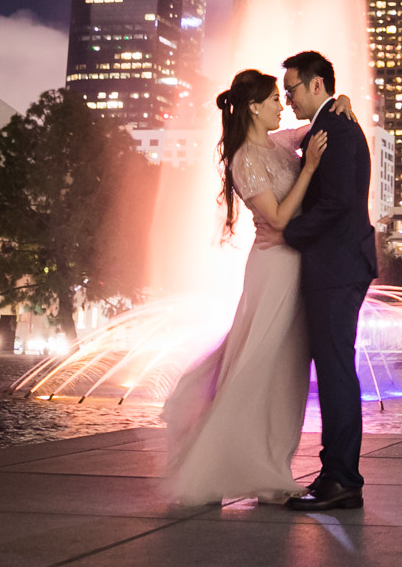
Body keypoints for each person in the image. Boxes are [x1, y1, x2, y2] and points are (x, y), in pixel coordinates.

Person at [160, 69, 329, 504]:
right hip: (272, 268)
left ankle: (271, 469)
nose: (282, 105)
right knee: (259, 364)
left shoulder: (276, 143)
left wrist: (340, 100)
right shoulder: (245, 159)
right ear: (254, 107)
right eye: (275, 99)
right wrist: (308, 168)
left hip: (295, 267)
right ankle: (226, 464)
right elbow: (276, 219)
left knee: (286, 371)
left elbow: (314, 122)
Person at [278, 50, 378, 512]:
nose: (287, 96)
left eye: (292, 88)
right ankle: (336, 473)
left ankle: (342, 477)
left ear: (316, 85)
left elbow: (336, 202)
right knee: (335, 369)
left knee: (336, 371)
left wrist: (289, 232)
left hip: (336, 268)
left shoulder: (334, 129)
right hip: (339, 266)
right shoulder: (331, 123)